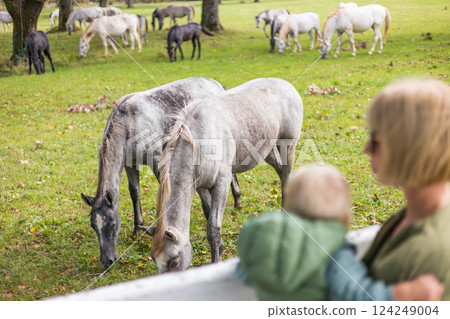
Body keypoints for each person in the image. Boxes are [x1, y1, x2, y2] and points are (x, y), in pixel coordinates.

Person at [237, 165, 443, 301]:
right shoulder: (334, 251)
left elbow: (243, 273)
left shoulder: (256, 238)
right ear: (342, 212)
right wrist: (403, 294)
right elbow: (357, 295)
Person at [327, 78, 450, 300]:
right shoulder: (419, 212)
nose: (366, 149)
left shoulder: (431, 252)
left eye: (375, 139)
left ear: (410, 145)